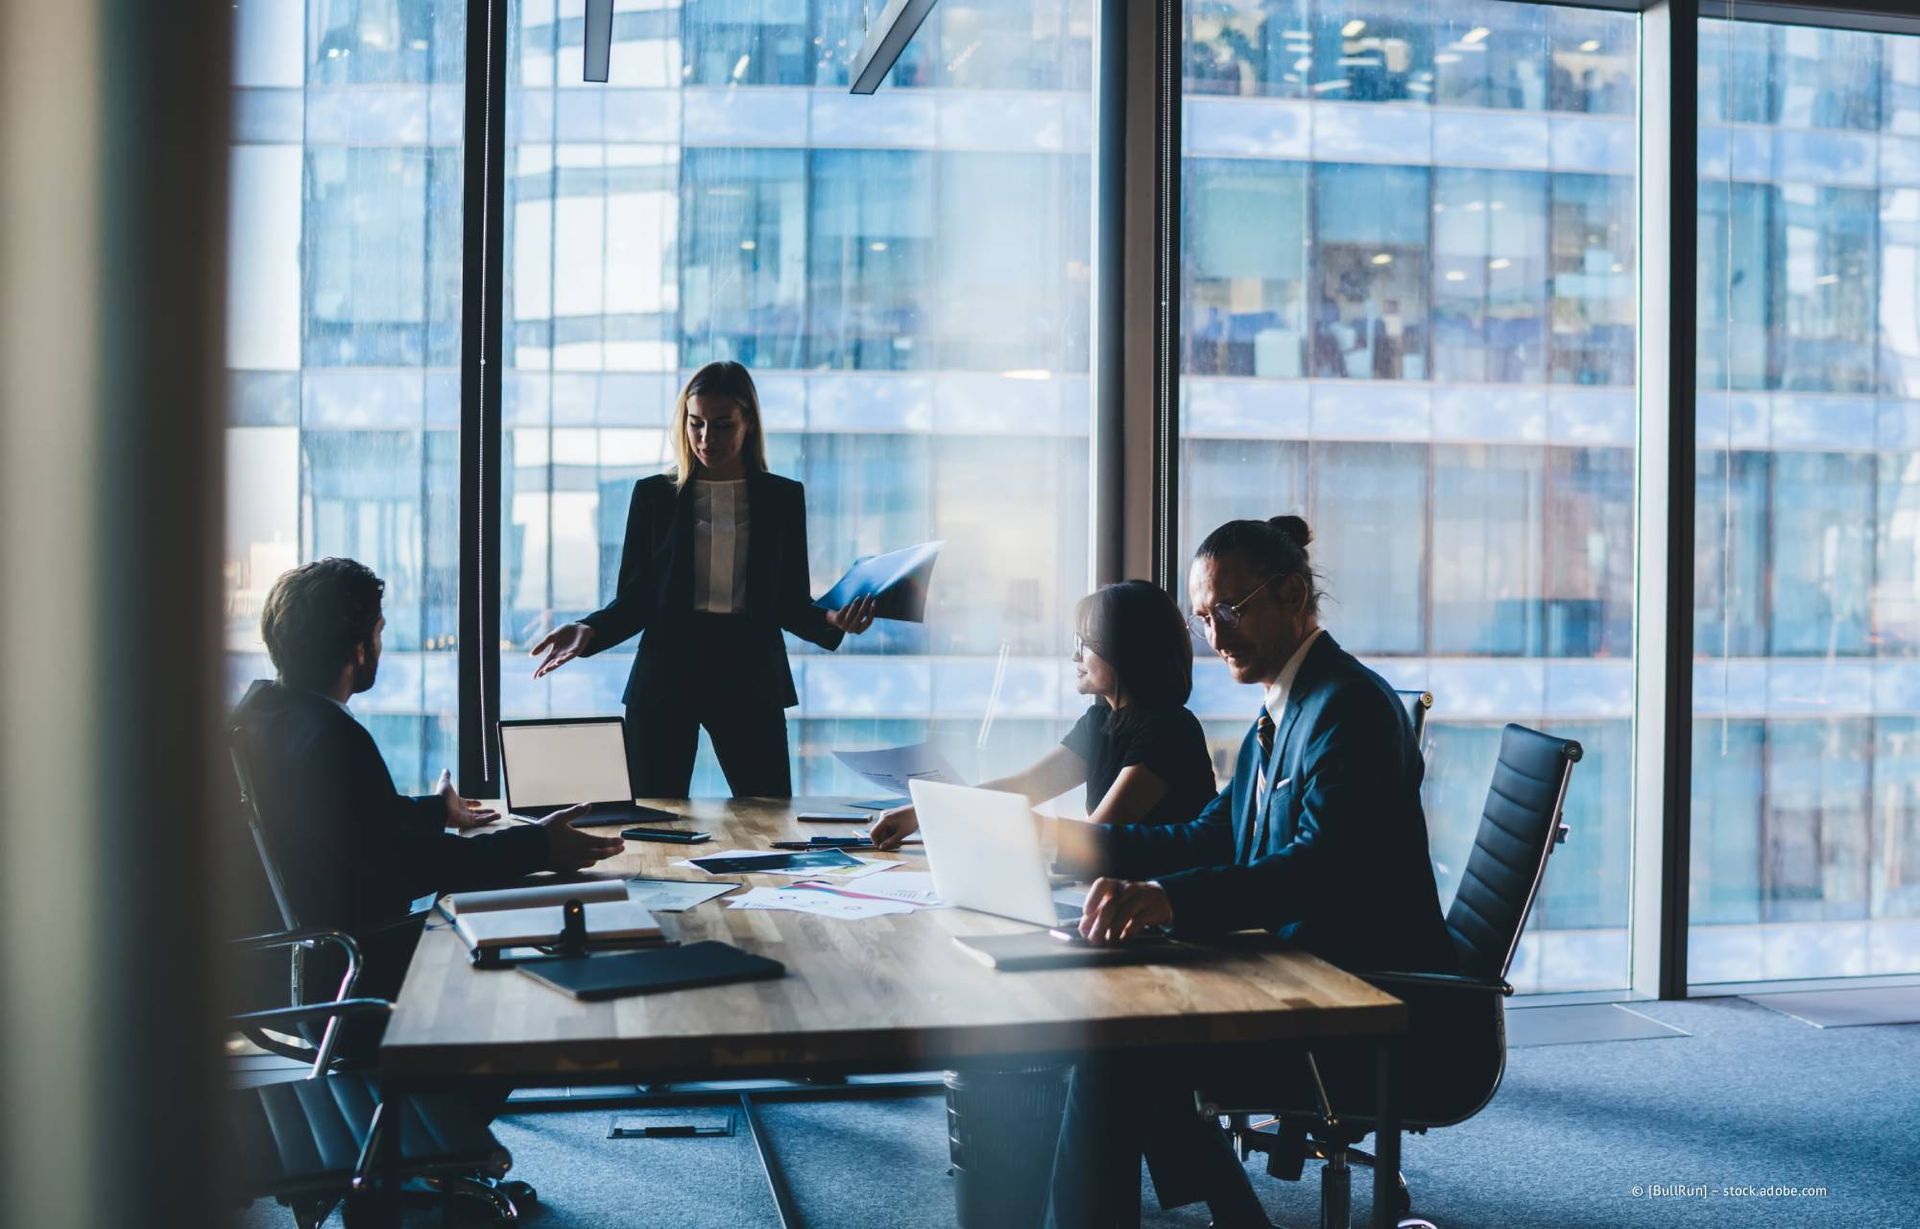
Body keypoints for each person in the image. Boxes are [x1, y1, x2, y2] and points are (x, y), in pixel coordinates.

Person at [1040, 516, 1461, 1229]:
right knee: (1119, 1029)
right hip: (1301, 968)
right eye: (1204, 617)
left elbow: (1314, 871)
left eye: (1229, 610)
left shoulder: (1348, 708)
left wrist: (1165, 898)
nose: (1215, 635)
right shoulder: (1283, 708)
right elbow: (1214, 834)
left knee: (1116, 1044)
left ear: (1293, 593)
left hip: (1363, 999)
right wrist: (1073, 846)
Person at [232, 557, 625, 1012]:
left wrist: (437, 810)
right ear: (359, 650)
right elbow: (413, 863)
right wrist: (539, 845)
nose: (381, 642)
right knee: (529, 922)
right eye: (378, 631)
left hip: (280, 967)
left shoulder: (263, 717)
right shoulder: (333, 738)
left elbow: (350, 822)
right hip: (349, 973)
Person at [529, 361, 876, 798]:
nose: (706, 439)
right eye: (696, 424)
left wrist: (832, 621)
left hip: (750, 675)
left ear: (749, 423)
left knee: (768, 819)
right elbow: (637, 599)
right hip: (666, 673)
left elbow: (787, 601)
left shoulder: (782, 498)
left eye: (722, 425)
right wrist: (590, 629)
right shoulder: (654, 496)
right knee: (654, 821)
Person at [868, 579, 1217, 851]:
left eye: (1085, 643)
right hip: (1115, 894)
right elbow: (1024, 787)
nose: (1074, 656)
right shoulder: (1099, 722)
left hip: (1155, 909)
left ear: (1126, 650)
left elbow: (1098, 837)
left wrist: (1017, 827)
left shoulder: (1170, 731)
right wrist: (922, 813)